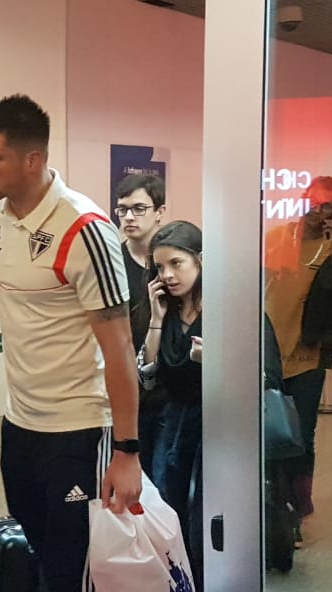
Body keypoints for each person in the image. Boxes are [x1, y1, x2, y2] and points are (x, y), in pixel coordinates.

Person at [0, 94, 142, 591]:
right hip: (20, 425)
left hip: (79, 429)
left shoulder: (84, 229)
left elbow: (119, 347)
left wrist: (127, 451)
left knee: (74, 573)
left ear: (33, 160)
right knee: (42, 559)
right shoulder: (2, 216)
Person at [263, 176, 332, 540]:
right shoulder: (278, 237)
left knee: (301, 434)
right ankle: (275, 502)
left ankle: (296, 507)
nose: (316, 210)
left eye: (326, 205)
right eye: (312, 201)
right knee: (271, 432)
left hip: (309, 354)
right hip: (270, 349)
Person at [141, 221, 204, 589]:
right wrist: (156, 317)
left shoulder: (226, 309)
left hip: (213, 423)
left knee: (204, 511)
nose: (167, 275)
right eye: (160, 267)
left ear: (200, 260)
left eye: (176, 264)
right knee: (167, 503)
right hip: (172, 421)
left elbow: (258, 374)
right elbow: (150, 375)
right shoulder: (167, 312)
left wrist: (212, 362)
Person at [115, 173, 167, 479]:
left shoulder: (173, 260)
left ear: (159, 212)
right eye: (122, 209)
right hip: (126, 385)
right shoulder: (112, 262)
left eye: (138, 208)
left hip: (168, 387)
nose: (129, 217)